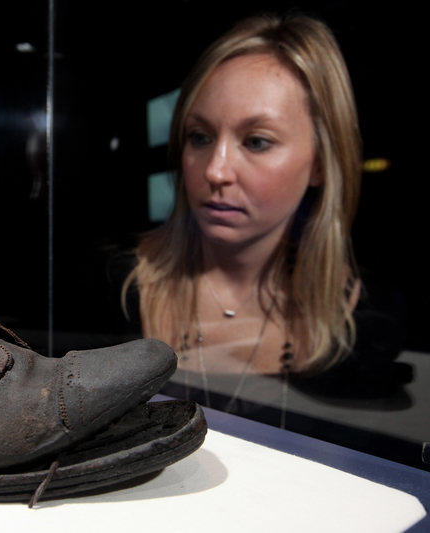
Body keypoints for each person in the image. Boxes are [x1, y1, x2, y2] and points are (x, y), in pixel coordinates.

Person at [122, 14, 370, 419]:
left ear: (322, 164)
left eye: (256, 142)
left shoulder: (367, 318)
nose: (216, 171)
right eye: (200, 137)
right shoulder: (110, 287)